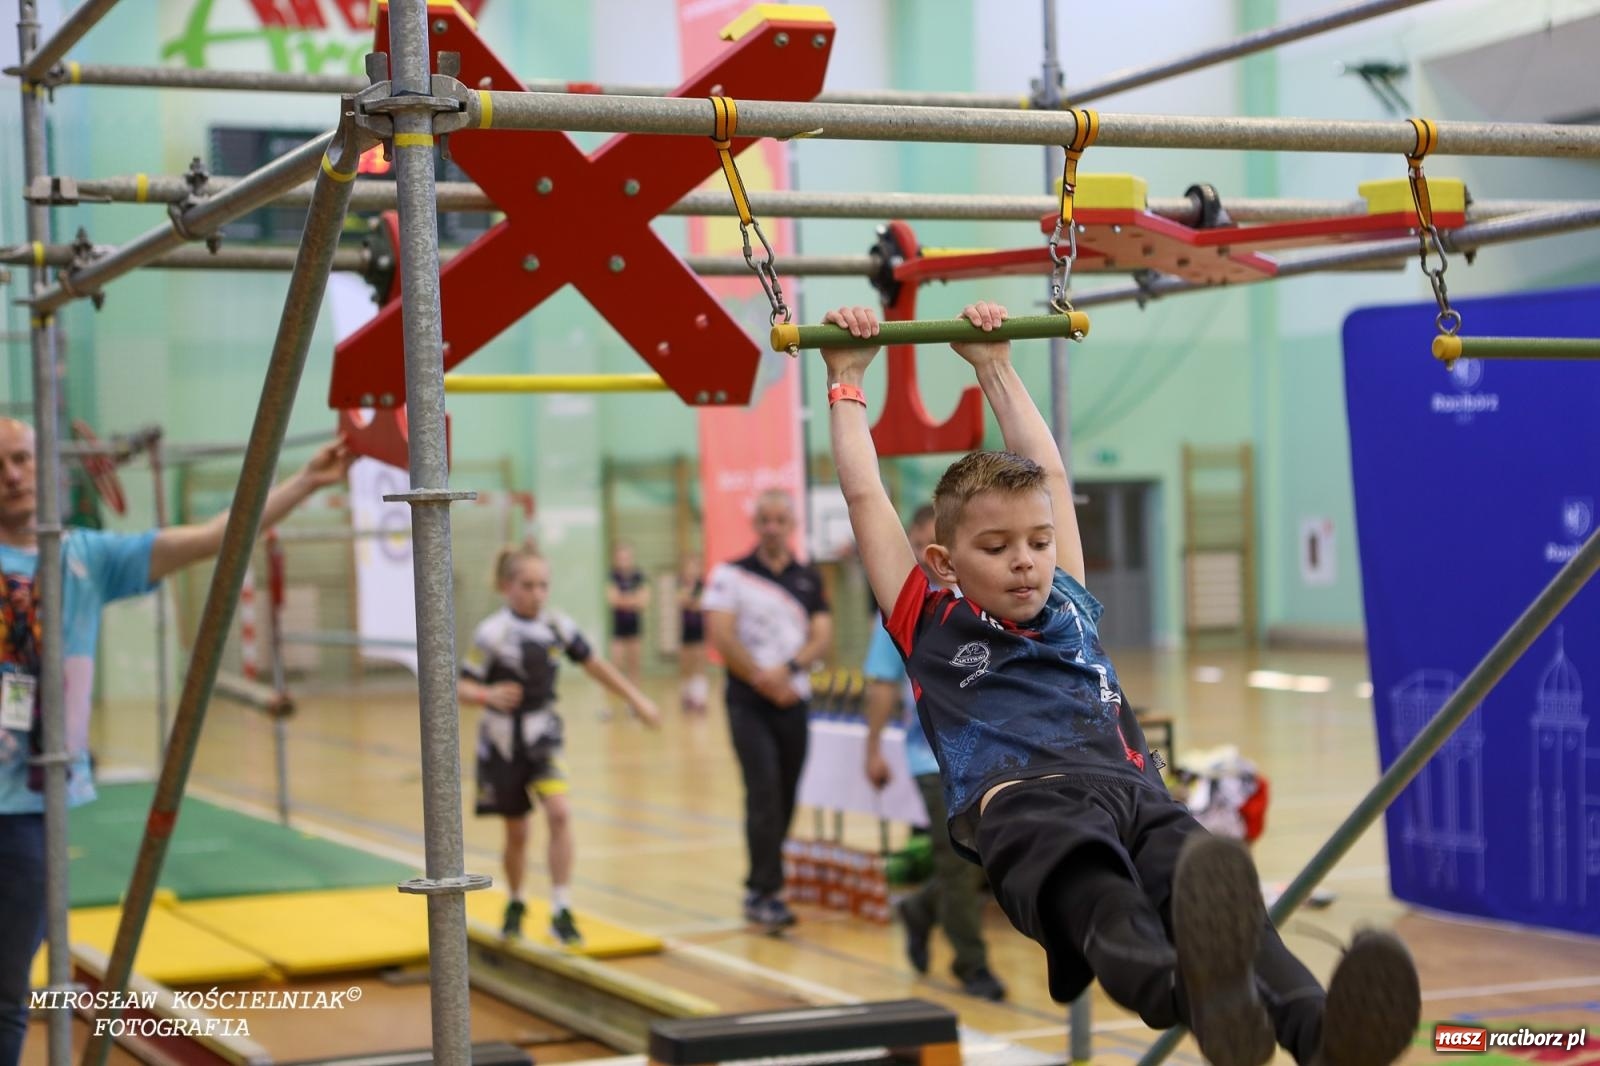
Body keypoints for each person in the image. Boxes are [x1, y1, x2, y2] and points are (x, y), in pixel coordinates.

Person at [820, 302, 1421, 1066]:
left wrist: (996, 367)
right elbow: (866, 497)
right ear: (943, 563)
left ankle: (1319, 1031)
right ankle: (1187, 991)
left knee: (1219, 901)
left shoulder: (1066, 595)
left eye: (1038, 541)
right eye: (996, 546)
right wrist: (846, 383)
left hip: (1135, 791)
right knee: (1097, 891)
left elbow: (1052, 472)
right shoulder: (927, 619)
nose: (1026, 561)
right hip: (1023, 806)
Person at [0, 420, 353, 1066]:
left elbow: (212, 538)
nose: (13, 476)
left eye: (22, 459)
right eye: (1, 465)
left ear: (45, 469)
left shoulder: (81, 556)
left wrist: (305, 482)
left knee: (6, 989)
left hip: (28, 809)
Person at [459, 542, 660, 947]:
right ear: (506, 586)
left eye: (543, 585)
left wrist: (636, 698)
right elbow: (459, 684)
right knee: (517, 832)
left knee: (561, 813)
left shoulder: (557, 626)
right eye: (527, 585)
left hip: (543, 735)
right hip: (501, 742)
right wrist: (486, 695)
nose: (536, 594)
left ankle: (562, 908)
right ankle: (516, 901)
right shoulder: (491, 633)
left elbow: (595, 665)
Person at [864, 504, 1005, 1001]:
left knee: (987, 863)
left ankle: (920, 911)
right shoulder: (902, 608)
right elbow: (882, 684)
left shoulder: (982, 598)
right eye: (916, 541)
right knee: (959, 863)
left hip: (992, 758)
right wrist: (874, 747)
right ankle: (973, 965)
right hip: (934, 761)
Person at [703, 490, 832, 930]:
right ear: (756, 525)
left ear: (791, 524)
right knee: (763, 793)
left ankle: (767, 877)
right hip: (748, 702)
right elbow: (721, 635)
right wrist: (763, 678)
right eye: (766, 520)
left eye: (781, 519)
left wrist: (789, 671)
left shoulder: (808, 578)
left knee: (787, 793)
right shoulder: (731, 575)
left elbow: (821, 636)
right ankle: (764, 890)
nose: (773, 527)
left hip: (793, 700)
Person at [605, 542, 649, 717]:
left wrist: (626, 600)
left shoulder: (639, 576)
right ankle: (609, 707)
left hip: (635, 628)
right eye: (621, 557)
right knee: (615, 667)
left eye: (627, 556)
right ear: (616, 559)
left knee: (634, 667)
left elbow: (644, 601)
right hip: (618, 629)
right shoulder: (612, 576)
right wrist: (632, 600)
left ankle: (634, 705)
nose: (624, 560)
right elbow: (613, 599)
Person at [676, 553, 709, 714]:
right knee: (685, 665)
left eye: (695, 567)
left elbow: (701, 604)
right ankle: (686, 697)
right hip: (685, 630)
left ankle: (700, 698)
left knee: (699, 664)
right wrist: (691, 601)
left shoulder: (702, 585)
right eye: (688, 567)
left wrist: (692, 602)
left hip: (700, 630)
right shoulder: (680, 584)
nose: (691, 570)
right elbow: (681, 600)